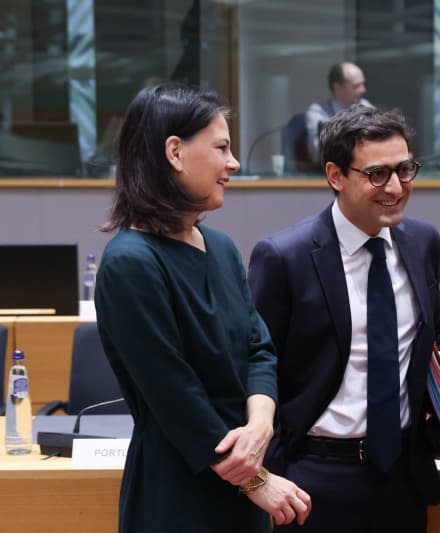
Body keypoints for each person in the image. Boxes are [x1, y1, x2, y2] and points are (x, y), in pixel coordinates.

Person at [248, 105, 440, 533]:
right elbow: (256, 364)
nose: (396, 187)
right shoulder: (285, 257)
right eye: (377, 174)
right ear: (336, 176)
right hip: (313, 476)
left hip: (401, 476)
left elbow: (436, 333)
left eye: (405, 169)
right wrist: (269, 471)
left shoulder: (422, 242)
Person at [94, 84, 311, 533]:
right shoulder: (130, 262)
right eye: (221, 147)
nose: (233, 163)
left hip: (244, 471)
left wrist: (260, 427)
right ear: (174, 152)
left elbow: (259, 349)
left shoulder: (222, 247)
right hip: (179, 490)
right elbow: (175, 395)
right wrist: (256, 481)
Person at [305, 61, 374, 163]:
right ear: (338, 88)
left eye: (363, 84)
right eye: (356, 86)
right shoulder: (318, 112)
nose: (363, 90)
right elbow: (318, 154)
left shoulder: (366, 106)